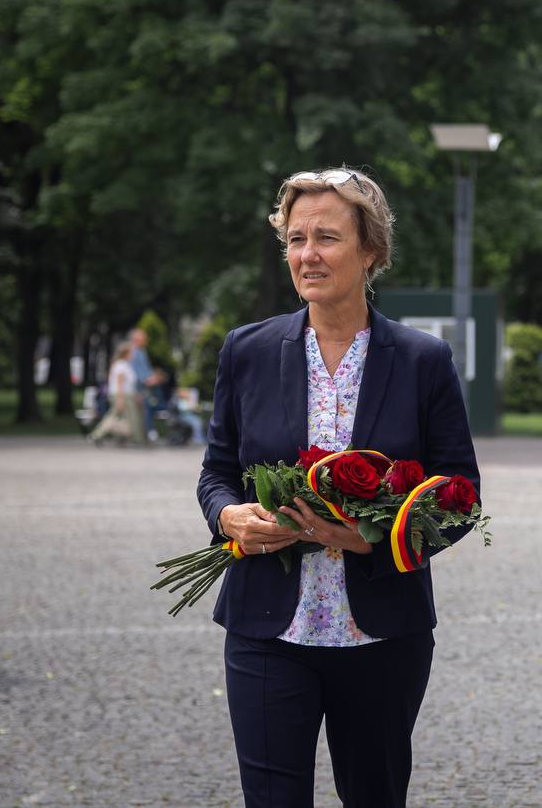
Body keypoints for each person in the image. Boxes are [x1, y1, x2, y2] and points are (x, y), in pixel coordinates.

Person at [196, 167, 479, 807]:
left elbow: (460, 493)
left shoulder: (421, 361)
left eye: (326, 237)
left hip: (381, 632)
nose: (307, 254)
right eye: (295, 238)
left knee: (375, 795)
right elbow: (216, 472)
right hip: (268, 625)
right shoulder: (246, 350)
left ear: (370, 250)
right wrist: (229, 518)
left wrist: (372, 538)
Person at [89, 341, 145, 445]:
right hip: (123, 395)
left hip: (126, 394)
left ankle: (115, 437)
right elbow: (120, 383)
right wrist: (120, 398)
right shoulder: (121, 365)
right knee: (127, 417)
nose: (133, 355)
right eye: (131, 353)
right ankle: (98, 434)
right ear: (126, 354)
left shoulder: (124, 365)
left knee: (122, 417)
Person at [128, 328, 165, 442]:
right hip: (139, 388)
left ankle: (149, 431)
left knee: (154, 404)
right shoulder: (133, 353)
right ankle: (150, 431)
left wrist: (154, 376)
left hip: (146, 386)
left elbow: (146, 370)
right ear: (136, 339)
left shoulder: (142, 351)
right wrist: (149, 380)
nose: (146, 341)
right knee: (148, 406)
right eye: (143, 339)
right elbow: (135, 373)